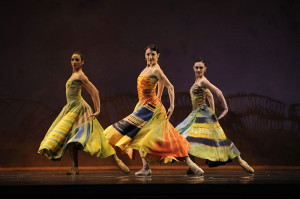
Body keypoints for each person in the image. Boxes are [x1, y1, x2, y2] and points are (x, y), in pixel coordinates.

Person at [104, 44, 204, 176]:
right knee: (138, 136)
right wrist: (159, 96)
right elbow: (160, 83)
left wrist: (172, 106)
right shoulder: (147, 69)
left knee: (167, 136)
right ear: (145, 56)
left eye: (153, 54)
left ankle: (190, 162)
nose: (150, 57)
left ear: (158, 56)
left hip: (152, 109)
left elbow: (170, 86)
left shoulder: (156, 70)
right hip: (143, 106)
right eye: (148, 54)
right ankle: (146, 168)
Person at [38, 51, 130, 175]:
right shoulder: (74, 75)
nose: (74, 62)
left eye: (77, 60)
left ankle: (117, 160)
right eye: (72, 59)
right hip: (72, 108)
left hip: (79, 108)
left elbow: (95, 92)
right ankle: (75, 167)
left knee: (96, 134)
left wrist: (98, 109)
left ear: (82, 62)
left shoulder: (81, 76)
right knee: (71, 138)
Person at [175, 57, 254, 174]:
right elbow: (210, 95)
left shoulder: (203, 81)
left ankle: (241, 161)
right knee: (189, 137)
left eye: (201, 67)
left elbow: (218, 92)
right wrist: (212, 111)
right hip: (198, 113)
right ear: (193, 68)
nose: (198, 69)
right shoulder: (198, 82)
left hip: (201, 113)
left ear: (205, 69)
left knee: (218, 139)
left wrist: (225, 108)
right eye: (196, 67)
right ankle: (192, 166)